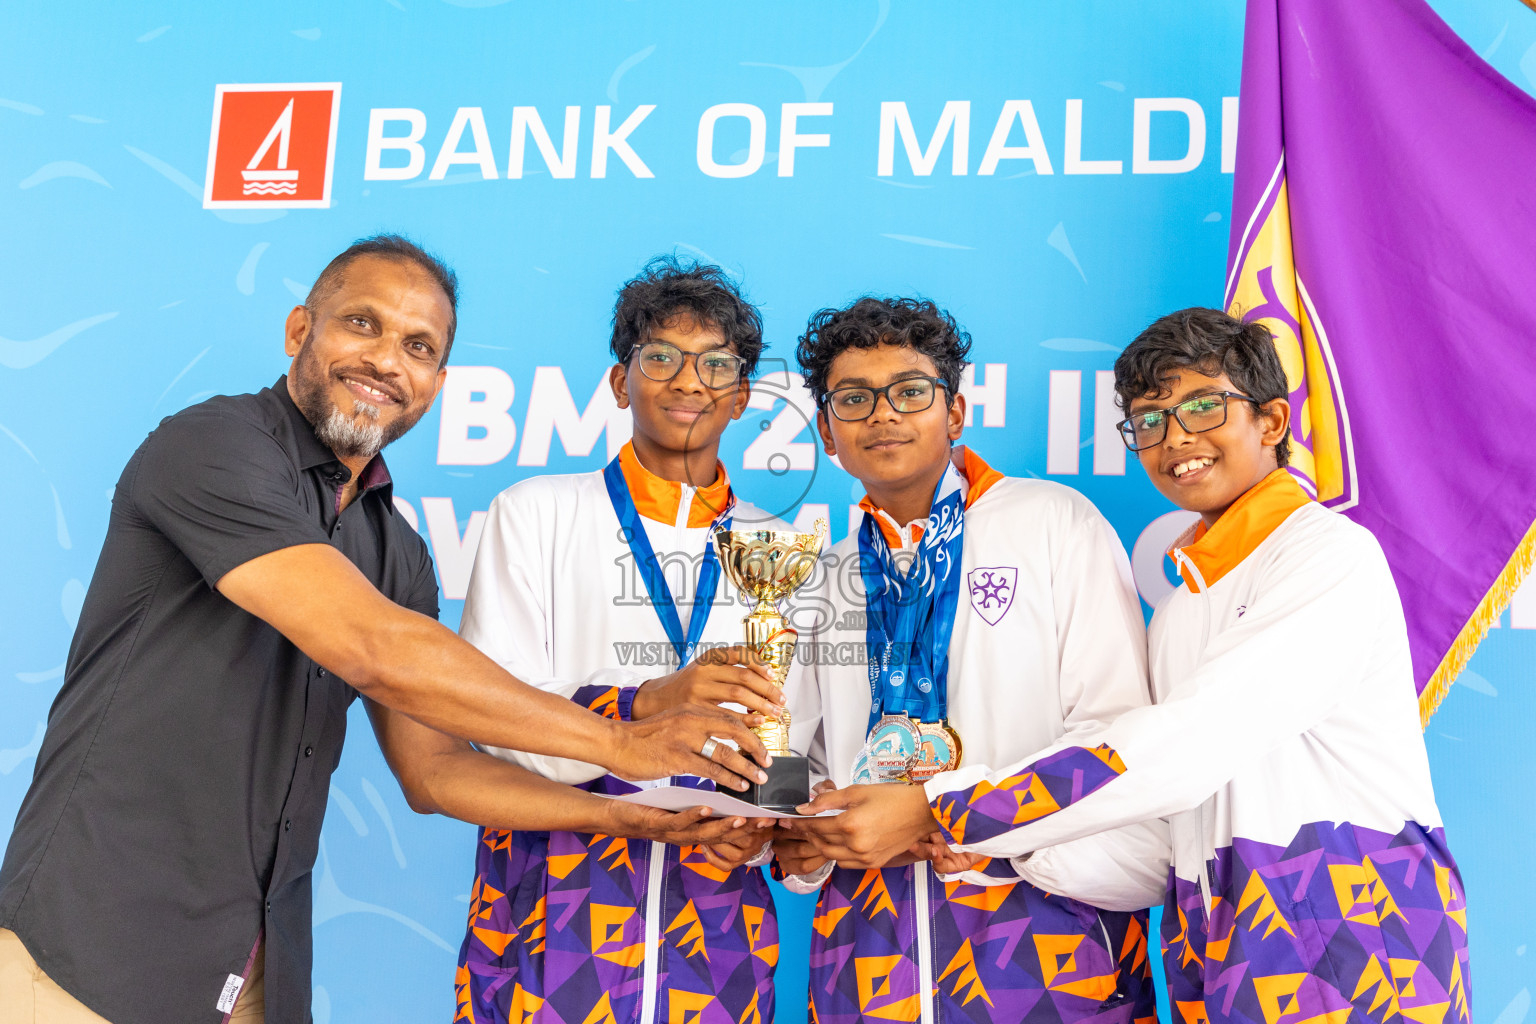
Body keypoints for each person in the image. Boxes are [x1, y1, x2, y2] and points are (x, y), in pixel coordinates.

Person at [0, 236, 769, 1024]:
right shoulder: (212, 445)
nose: (384, 362)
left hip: (253, 962)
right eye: (361, 325)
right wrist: (621, 741)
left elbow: (432, 772)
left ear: (436, 382)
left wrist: (616, 814)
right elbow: (374, 648)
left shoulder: (395, 548)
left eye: (417, 346)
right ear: (300, 331)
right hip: (91, 947)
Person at [799, 307, 1470, 1024]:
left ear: (1272, 421)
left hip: (1343, 930)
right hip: (1206, 939)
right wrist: (791, 827)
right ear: (827, 432)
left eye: (1203, 407)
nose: (1176, 438)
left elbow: (1181, 742)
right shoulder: (1184, 601)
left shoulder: (1326, 556)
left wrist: (952, 811)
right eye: (1151, 420)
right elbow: (790, 741)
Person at [773, 297, 1164, 1024]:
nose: (882, 415)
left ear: (953, 414)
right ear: (827, 431)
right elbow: (787, 749)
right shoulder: (822, 575)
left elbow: (1116, 734)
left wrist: (969, 818)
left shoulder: (1053, 523)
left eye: (910, 392)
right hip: (869, 943)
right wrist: (799, 839)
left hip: (1044, 925)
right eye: (853, 399)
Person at [452, 256, 791, 1024]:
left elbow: (789, 730)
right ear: (619, 382)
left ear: (741, 397)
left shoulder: (777, 547)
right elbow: (493, 717)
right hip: (552, 899)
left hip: (716, 922)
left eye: (716, 365)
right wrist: (641, 705)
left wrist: (766, 834)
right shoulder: (534, 513)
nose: (688, 382)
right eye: (661, 358)